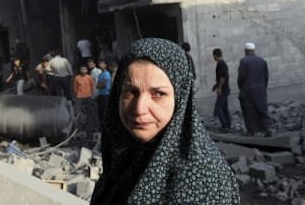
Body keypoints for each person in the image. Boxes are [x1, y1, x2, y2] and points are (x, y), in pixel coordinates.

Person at [91, 38, 240, 205]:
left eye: (159, 94)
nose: (140, 108)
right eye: (130, 92)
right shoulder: (125, 155)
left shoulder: (203, 180)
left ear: (180, 99)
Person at [237, 42, 272, 136]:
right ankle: (268, 128)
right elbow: (266, 76)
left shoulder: (244, 61)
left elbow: (241, 76)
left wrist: (241, 87)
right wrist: (263, 87)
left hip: (248, 89)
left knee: (249, 111)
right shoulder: (262, 61)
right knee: (263, 109)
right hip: (261, 89)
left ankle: (252, 131)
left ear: (245, 51)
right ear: (253, 50)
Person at [212, 48, 232, 131]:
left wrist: (219, 88)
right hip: (225, 88)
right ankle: (228, 125)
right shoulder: (221, 63)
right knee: (224, 108)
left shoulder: (221, 64)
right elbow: (222, 77)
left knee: (218, 108)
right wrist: (216, 86)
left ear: (215, 55)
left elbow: (223, 77)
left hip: (223, 90)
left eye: (213, 56)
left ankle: (225, 125)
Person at [95, 58, 111, 124]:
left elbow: (102, 85)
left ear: (105, 65)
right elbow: (98, 86)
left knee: (104, 112)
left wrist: (99, 85)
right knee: (100, 112)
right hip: (100, 95)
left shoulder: (106, 74)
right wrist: (99, 85)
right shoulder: (100, 75)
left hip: (105, 95)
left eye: (102, 63)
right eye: (99, 63)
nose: (100, 65)